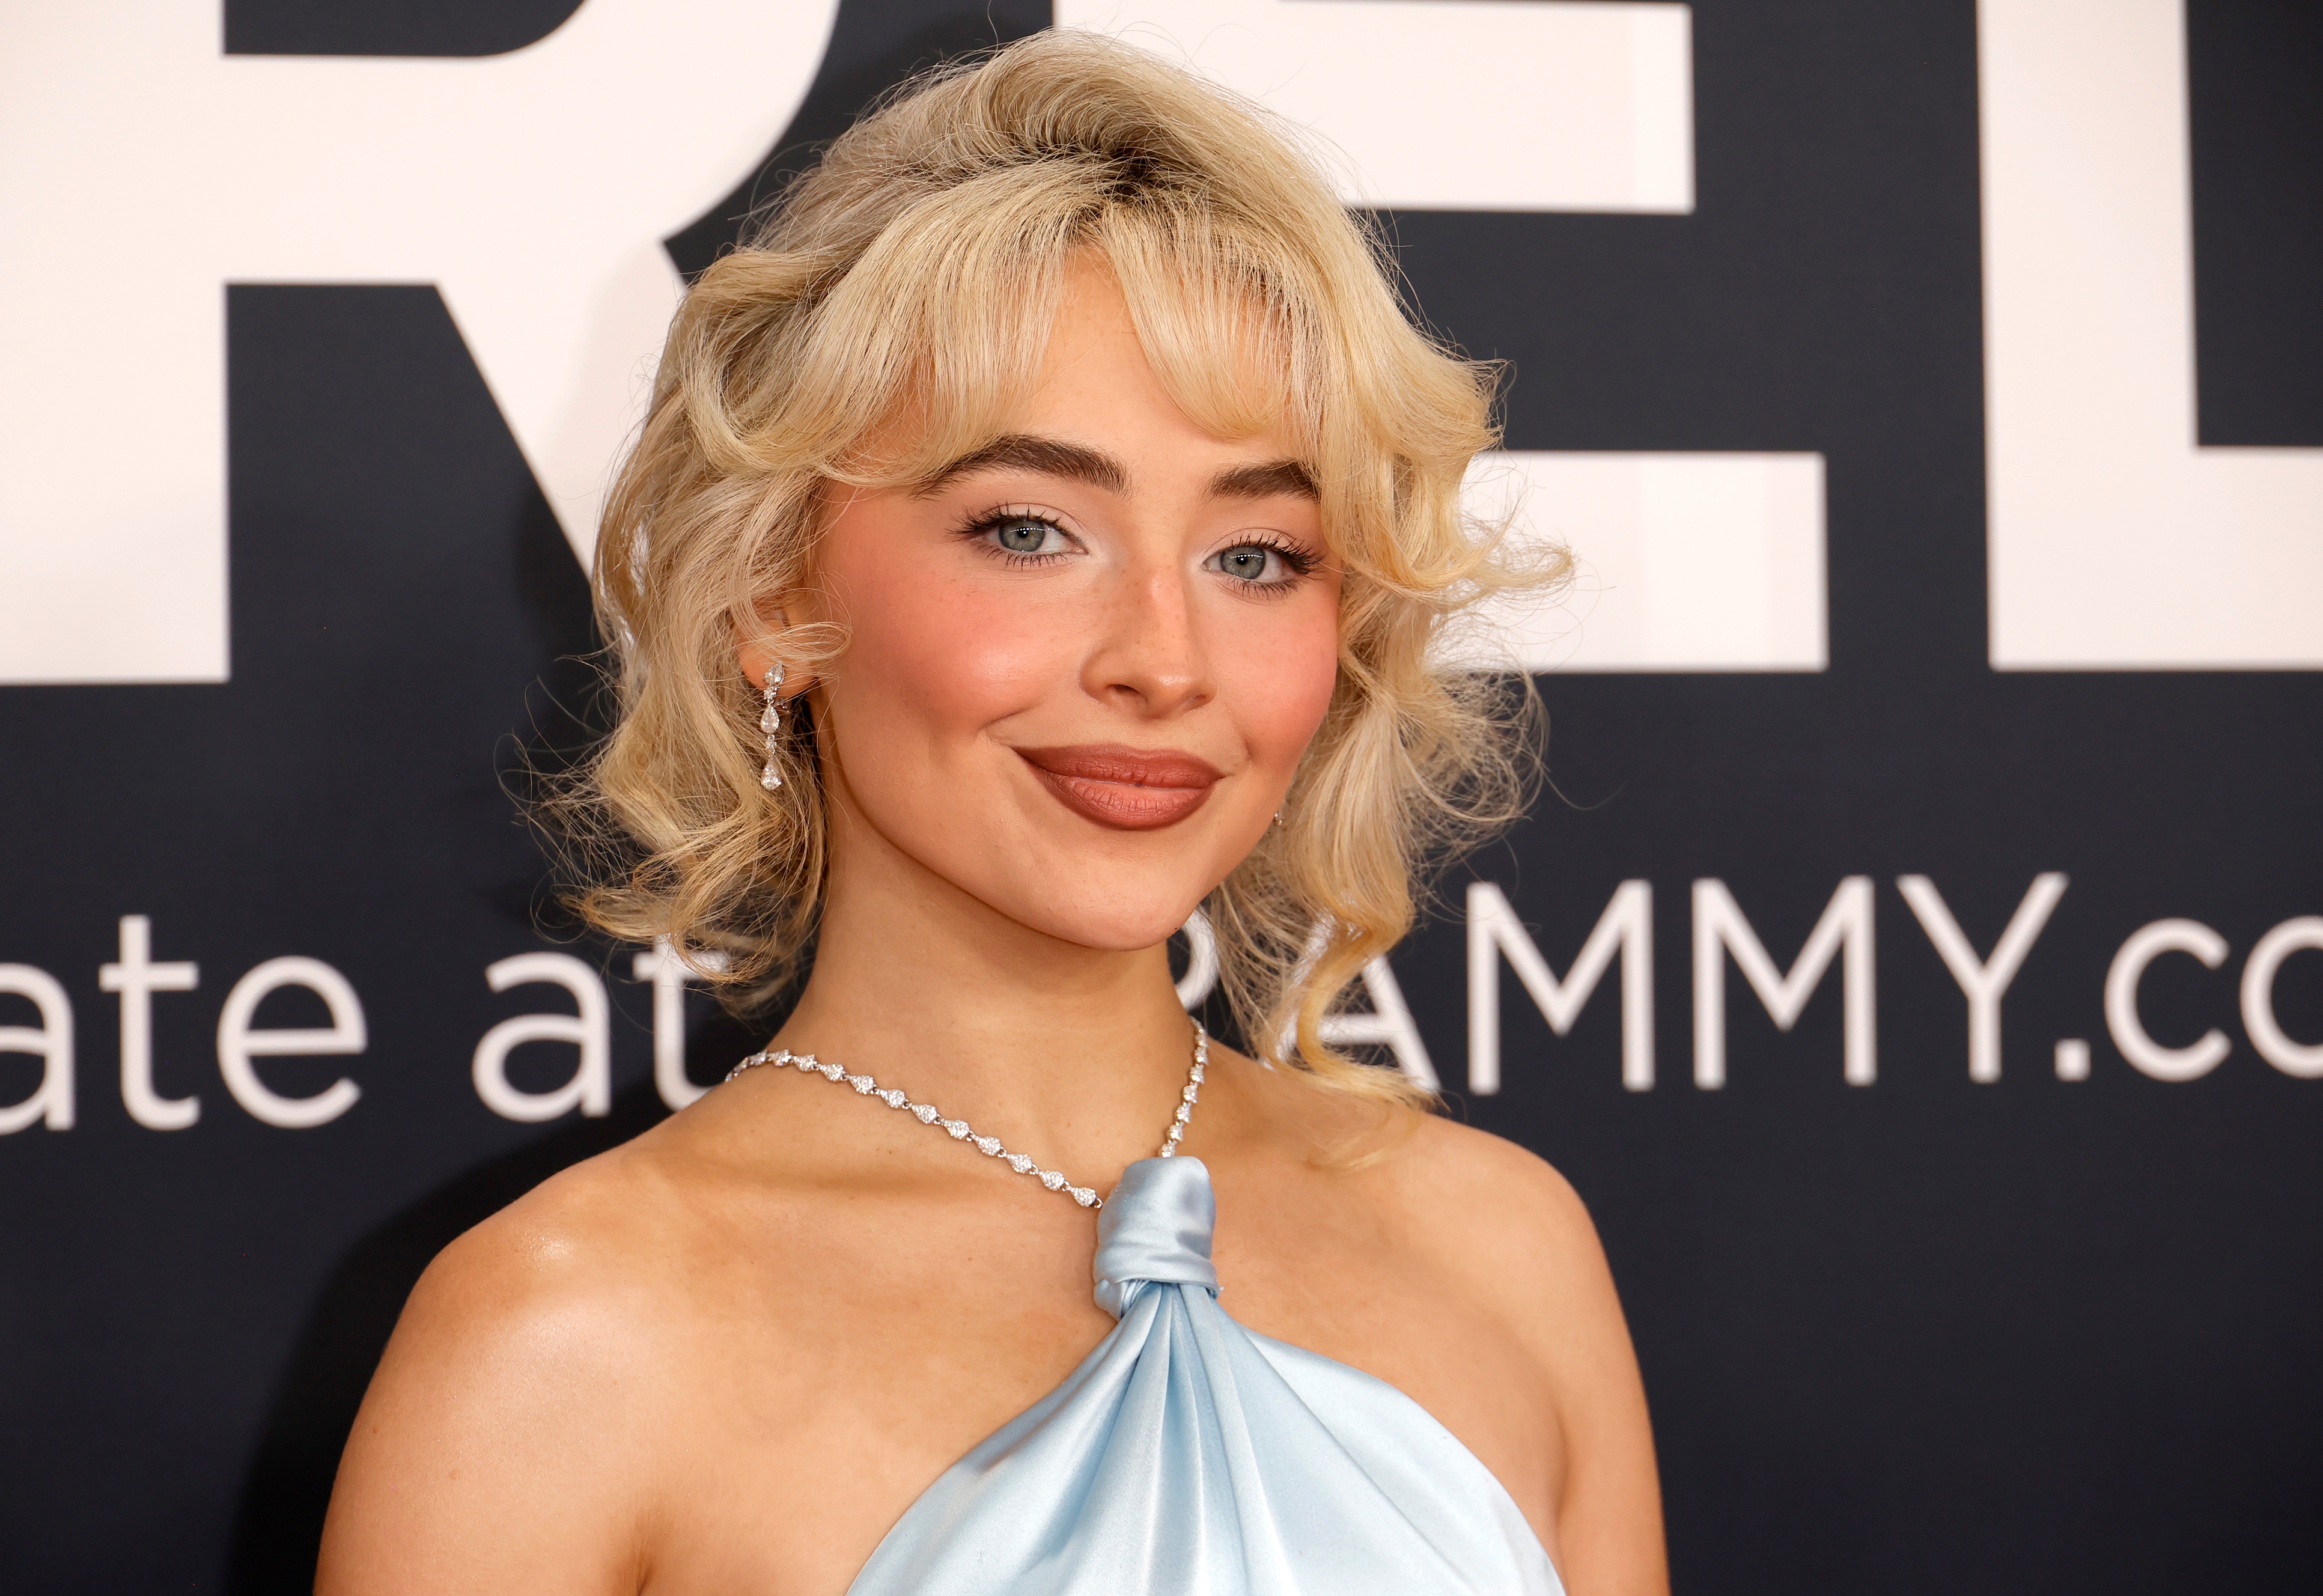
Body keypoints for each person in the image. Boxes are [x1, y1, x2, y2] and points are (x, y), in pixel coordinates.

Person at [317, 31, 1666, 1596]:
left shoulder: (1505, 1248)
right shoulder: (566, 1338)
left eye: (1258, 554)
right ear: (775, 589)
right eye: (1029, 529)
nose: (1165, 659)